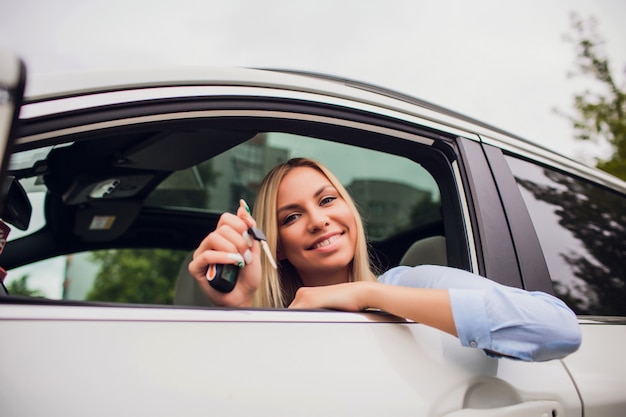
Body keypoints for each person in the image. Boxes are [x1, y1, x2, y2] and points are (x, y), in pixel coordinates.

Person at [189, 157, 581, 361]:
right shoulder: (279, 320)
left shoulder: (409, 284)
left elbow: (559, 329)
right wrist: (243, 308)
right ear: (274, 245)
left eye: (327, 200)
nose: (319, 220)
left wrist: (365, 295)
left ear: (350, 212)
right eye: (292, 216)